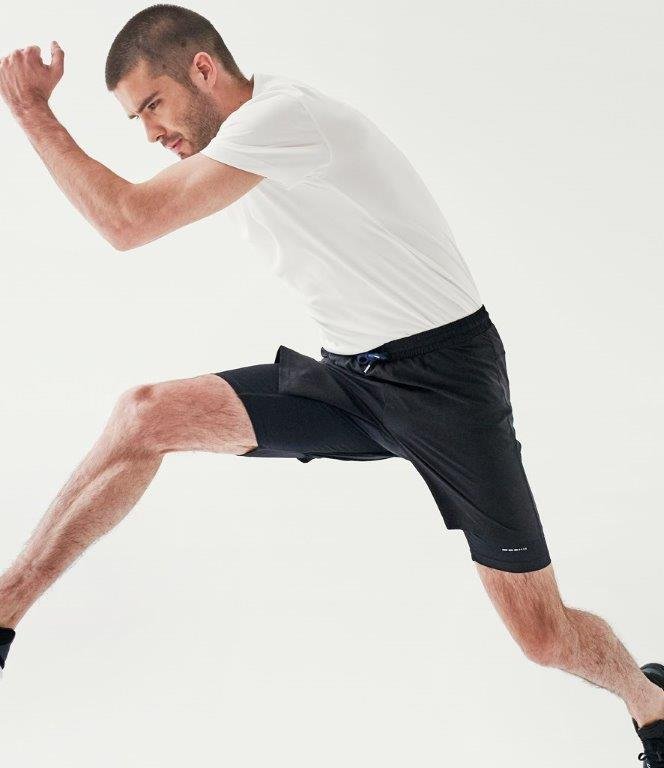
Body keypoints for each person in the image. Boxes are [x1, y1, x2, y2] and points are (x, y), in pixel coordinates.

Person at [0, 4, 661, 763]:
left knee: (542, 637)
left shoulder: (285, 118)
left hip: (447, 385)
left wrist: (30, 110)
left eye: (153, 104)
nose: (150, 133)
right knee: (143, 416)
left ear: (204, 70)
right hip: (351, 379)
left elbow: (126, 221)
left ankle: (651, 702)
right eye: (136, 118)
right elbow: (132, 214)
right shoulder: (239, 141)